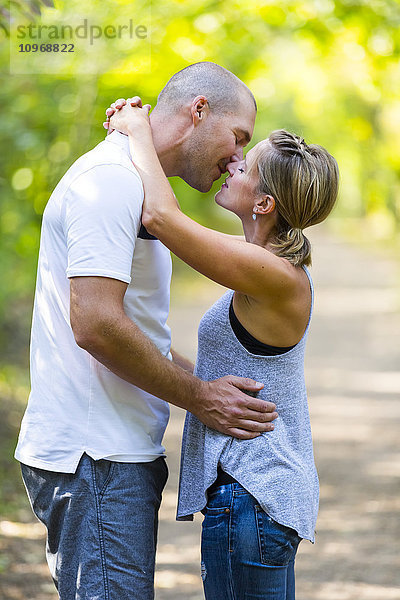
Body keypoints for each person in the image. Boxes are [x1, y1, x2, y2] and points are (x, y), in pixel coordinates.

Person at [14, 63, 279, 600]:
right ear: (199, 110)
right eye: (238, 137)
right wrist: (199, 398)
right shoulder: (109, 183)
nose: (237, 157)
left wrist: (209, 385)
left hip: (115, 455)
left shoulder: (135, 181)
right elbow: (95, 325)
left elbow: (133, 329)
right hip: (96, 458)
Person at [105, 99, 339, 600]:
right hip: (252, 499)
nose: (234, 163)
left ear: (264, 204)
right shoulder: (264, 267)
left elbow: (162, 217)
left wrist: (138, 130)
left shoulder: (274, 273)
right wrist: (163, 370)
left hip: (253, 495)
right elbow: (224, 367)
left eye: (246, 165)